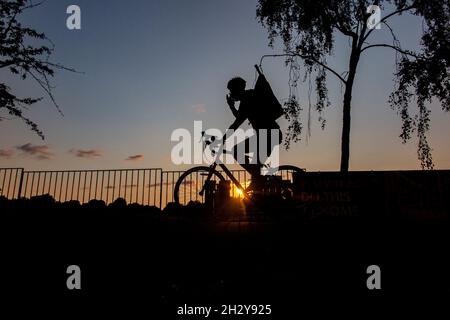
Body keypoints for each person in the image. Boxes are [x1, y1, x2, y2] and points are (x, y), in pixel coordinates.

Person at [225, 76, 282, 191]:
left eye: (231, 90)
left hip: (268, 136)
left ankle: (259, 179)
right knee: (255, 166)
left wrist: (222, 139)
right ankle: (258, 179)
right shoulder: (248, 97)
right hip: (267, 135)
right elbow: (240, 117)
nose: (230, 93)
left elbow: (237, 123)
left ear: (237, 89)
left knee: (237, 151)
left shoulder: (248, 98)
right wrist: (232, 107)